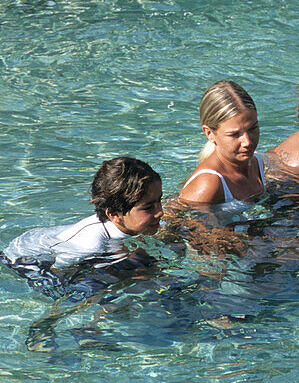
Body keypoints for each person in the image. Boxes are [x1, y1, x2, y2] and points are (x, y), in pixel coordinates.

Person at [4, 157, 163, 272]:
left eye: (159, 200)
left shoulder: (119, 225)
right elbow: (55, 273)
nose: (160, 212)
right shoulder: (89, 245)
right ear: (114, 215)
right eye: (148, 207)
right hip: (29, 262)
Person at [178, 80, 265, 208]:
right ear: (209, 134)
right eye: (234, 134)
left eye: (253, 128)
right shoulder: (207, 185)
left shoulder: (257, 163)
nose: (247, 142)